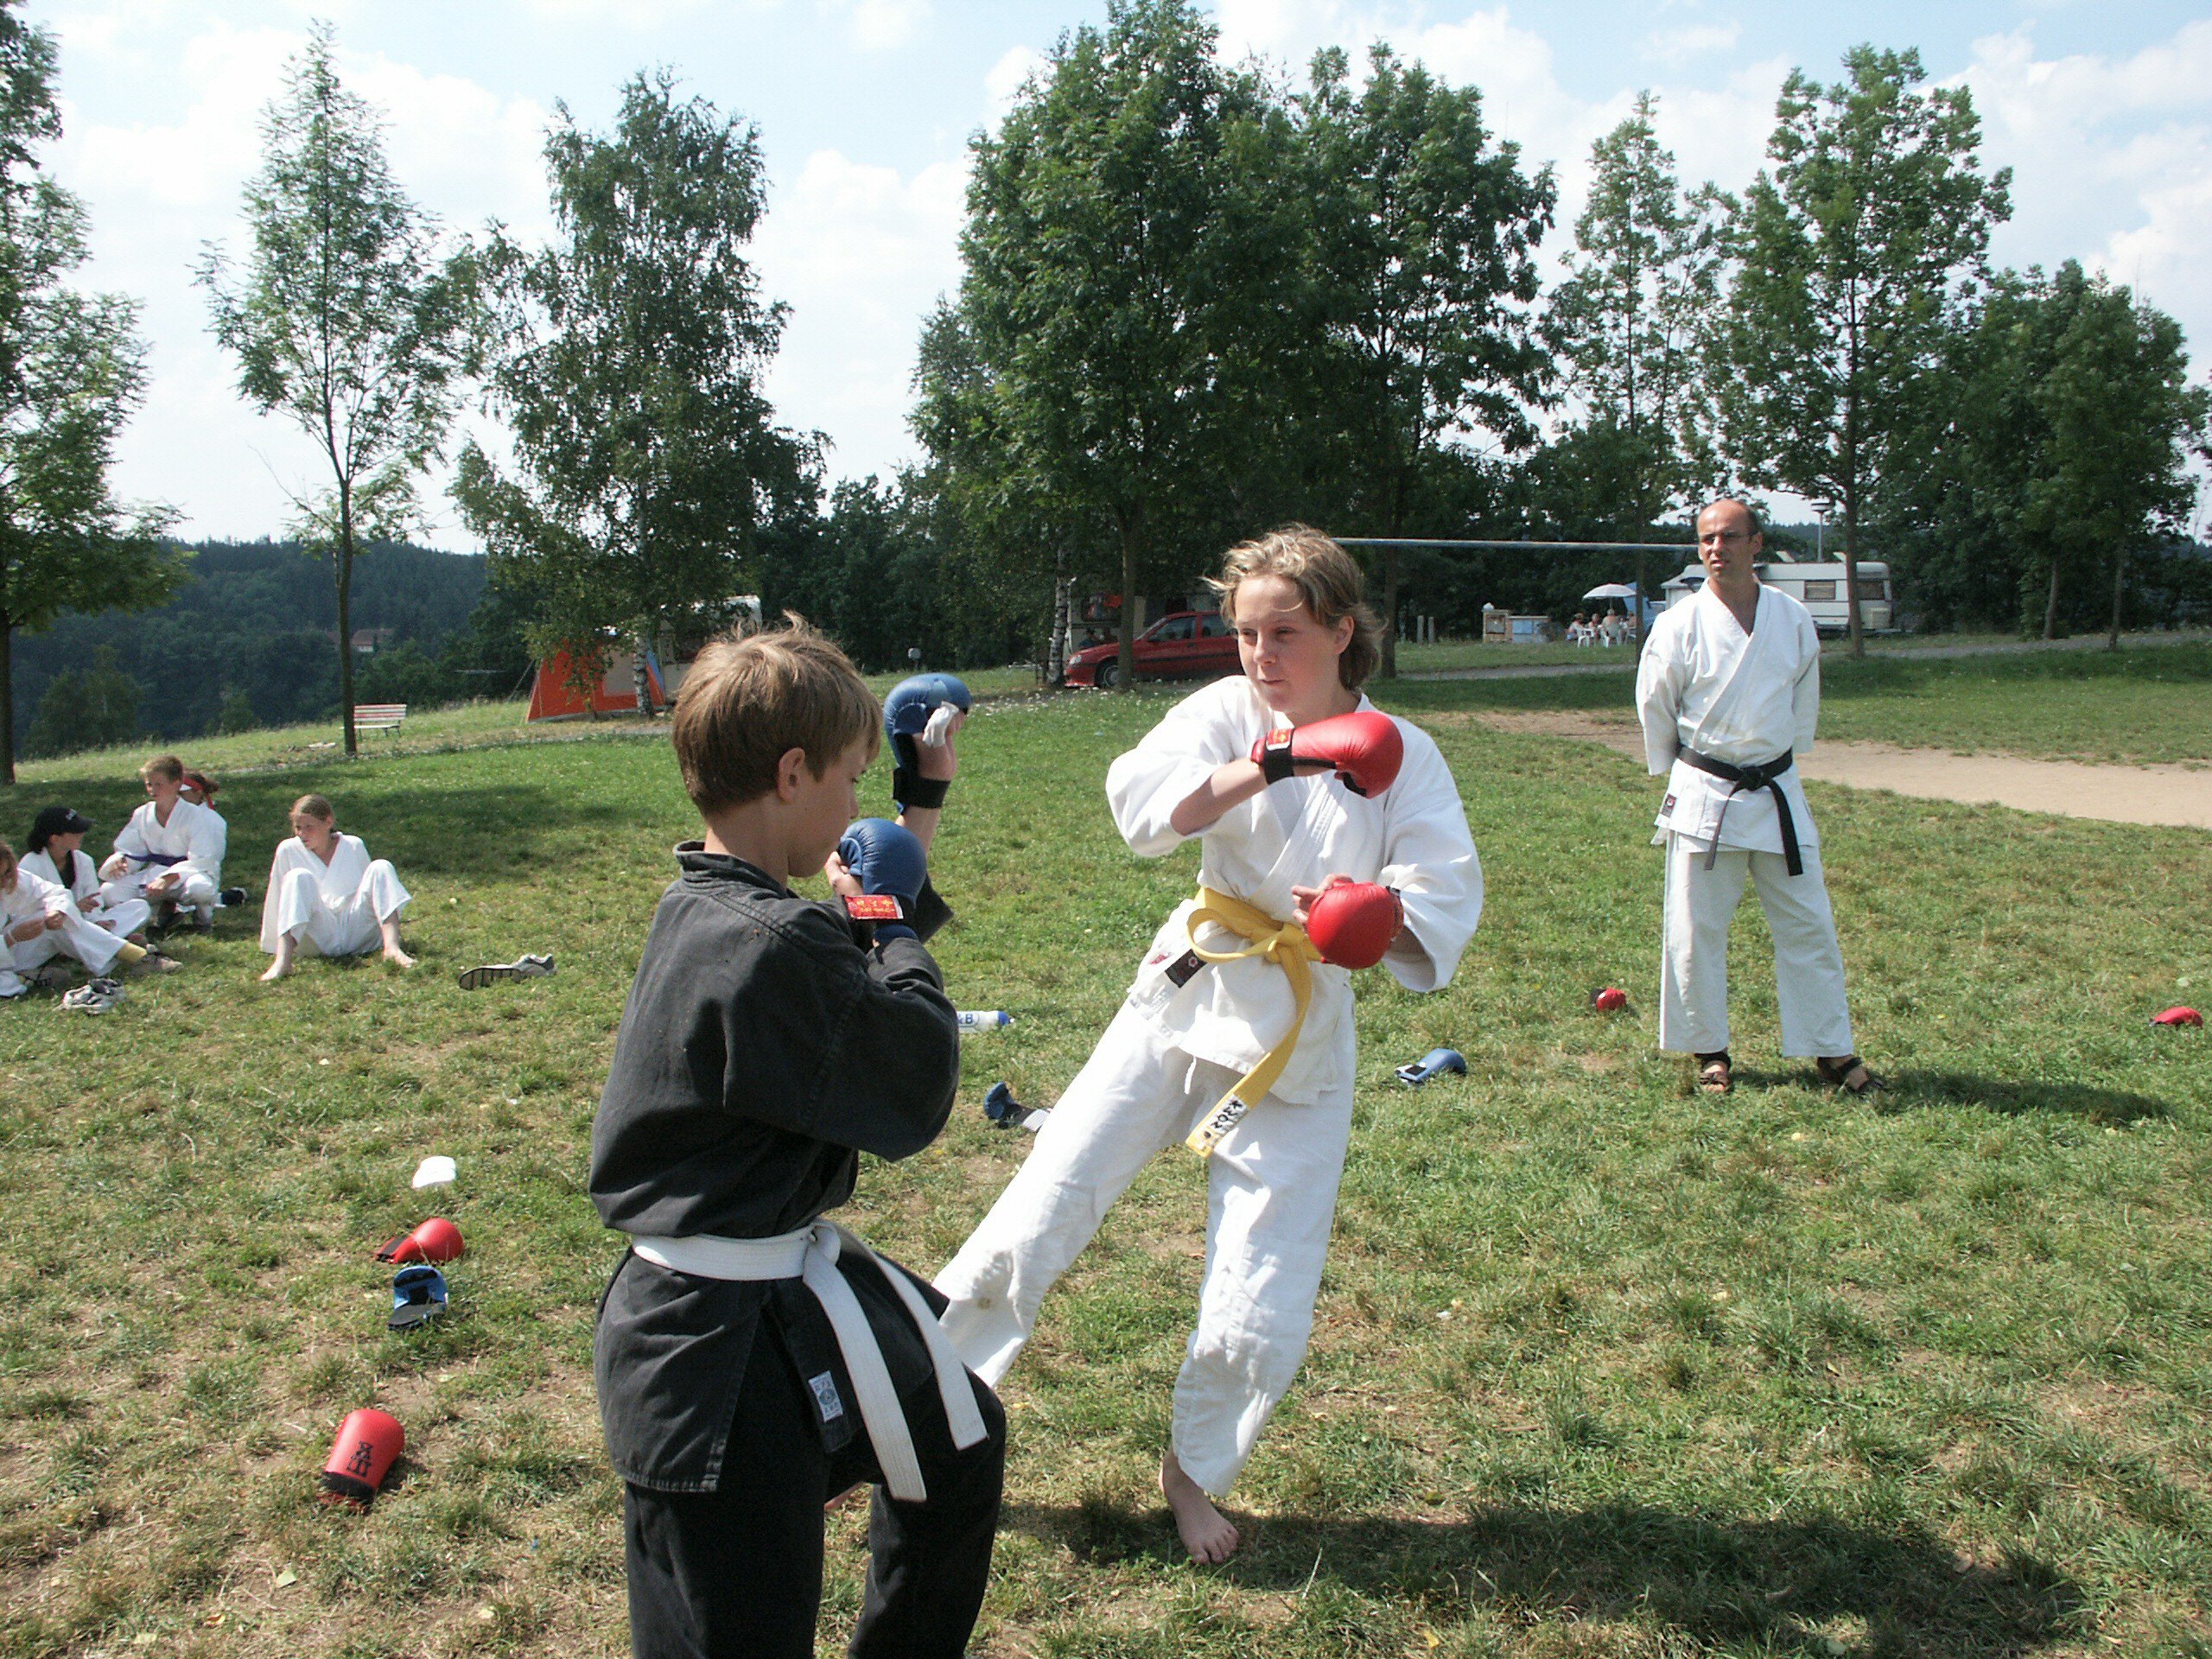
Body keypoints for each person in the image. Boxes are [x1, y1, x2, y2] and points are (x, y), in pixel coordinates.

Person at [935, 526, 1482, 1563]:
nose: (1261, 654)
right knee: (1039, 1208)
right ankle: (918, 1413)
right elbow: (1146, 812)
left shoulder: (1406, 752)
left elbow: (1441, 895)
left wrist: (1373, 917)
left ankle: (1191, 1473)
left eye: (1284, 632)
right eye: (1246, 633)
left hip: (1300, 1027)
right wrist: (1273, 759)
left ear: (1341, 630)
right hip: (1187, 989)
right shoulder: (1227, 711)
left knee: (1259, 1302)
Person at [589, 622, 1004, 1659]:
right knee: (737, 1627)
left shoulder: (721, 905)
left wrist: (918, 804)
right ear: (789, 774)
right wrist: (893, 924)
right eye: (849, 781)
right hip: (707, 1353)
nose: (856, 806)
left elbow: (834, 968)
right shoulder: (764, 945)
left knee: (957, 1447)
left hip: (775, 1288)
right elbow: (909, 1078)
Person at [1635, 497, 1882, 1096]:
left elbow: (1803, 700)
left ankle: (1830, 1048)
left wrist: (1780, 756)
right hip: (1706, 789)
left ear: (1756, 543)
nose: (1716, 549)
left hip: (1775, 790)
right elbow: (1654, 704)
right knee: (1695, 928)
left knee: (1809, 924)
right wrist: (1680, 770)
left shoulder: (1791, 617)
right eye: (1707, 539)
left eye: (1728, 537)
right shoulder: (1678, 624)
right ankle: (1709, 1049)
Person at [257, 796, 416, 980]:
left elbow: (372, 894)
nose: (302, 834)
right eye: (298, 827)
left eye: (309, 827)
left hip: (355, 928)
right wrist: (273, 944)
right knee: (297, 877)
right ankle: (283, 961)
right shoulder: (288, 850)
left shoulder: (353, 845)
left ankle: (392, 948)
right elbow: (279, 899)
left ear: (328, 822)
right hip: (318, 932)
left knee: (381, 867)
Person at [0, 836, 175, 997]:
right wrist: (11, 938)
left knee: (56, 919)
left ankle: (136, 956)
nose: (4, 881)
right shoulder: (32, 861)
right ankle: (28, 977)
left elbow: (55, 893)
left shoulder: (16, 878)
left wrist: (57, 912)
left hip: (15, 951)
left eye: (7, 873)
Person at [99, 754, 227, 931]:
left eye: (158, 784)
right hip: (154, 875)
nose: (152, 790)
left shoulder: (197, 816)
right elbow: (131, 850)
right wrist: (122, 862)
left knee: (201, 889)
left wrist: (170, 877)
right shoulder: (142, 813)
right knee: (109, 891)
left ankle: (202, 920)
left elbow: (203, 859)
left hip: (187, 876)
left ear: (176, 784)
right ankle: (159, 913)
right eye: (149, 784)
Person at [23, 806, 150, 942]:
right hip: (50, 931)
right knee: (63, 933)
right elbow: (25, 914)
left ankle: (102, 938)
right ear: (55, 839)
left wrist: (96, 921)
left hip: (84, 925)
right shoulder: (30, 866)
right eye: (75, 831)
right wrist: (72, 909)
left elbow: (94, 899)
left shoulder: (83, 860)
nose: (82, 833)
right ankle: (108, 940)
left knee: (140, 907)